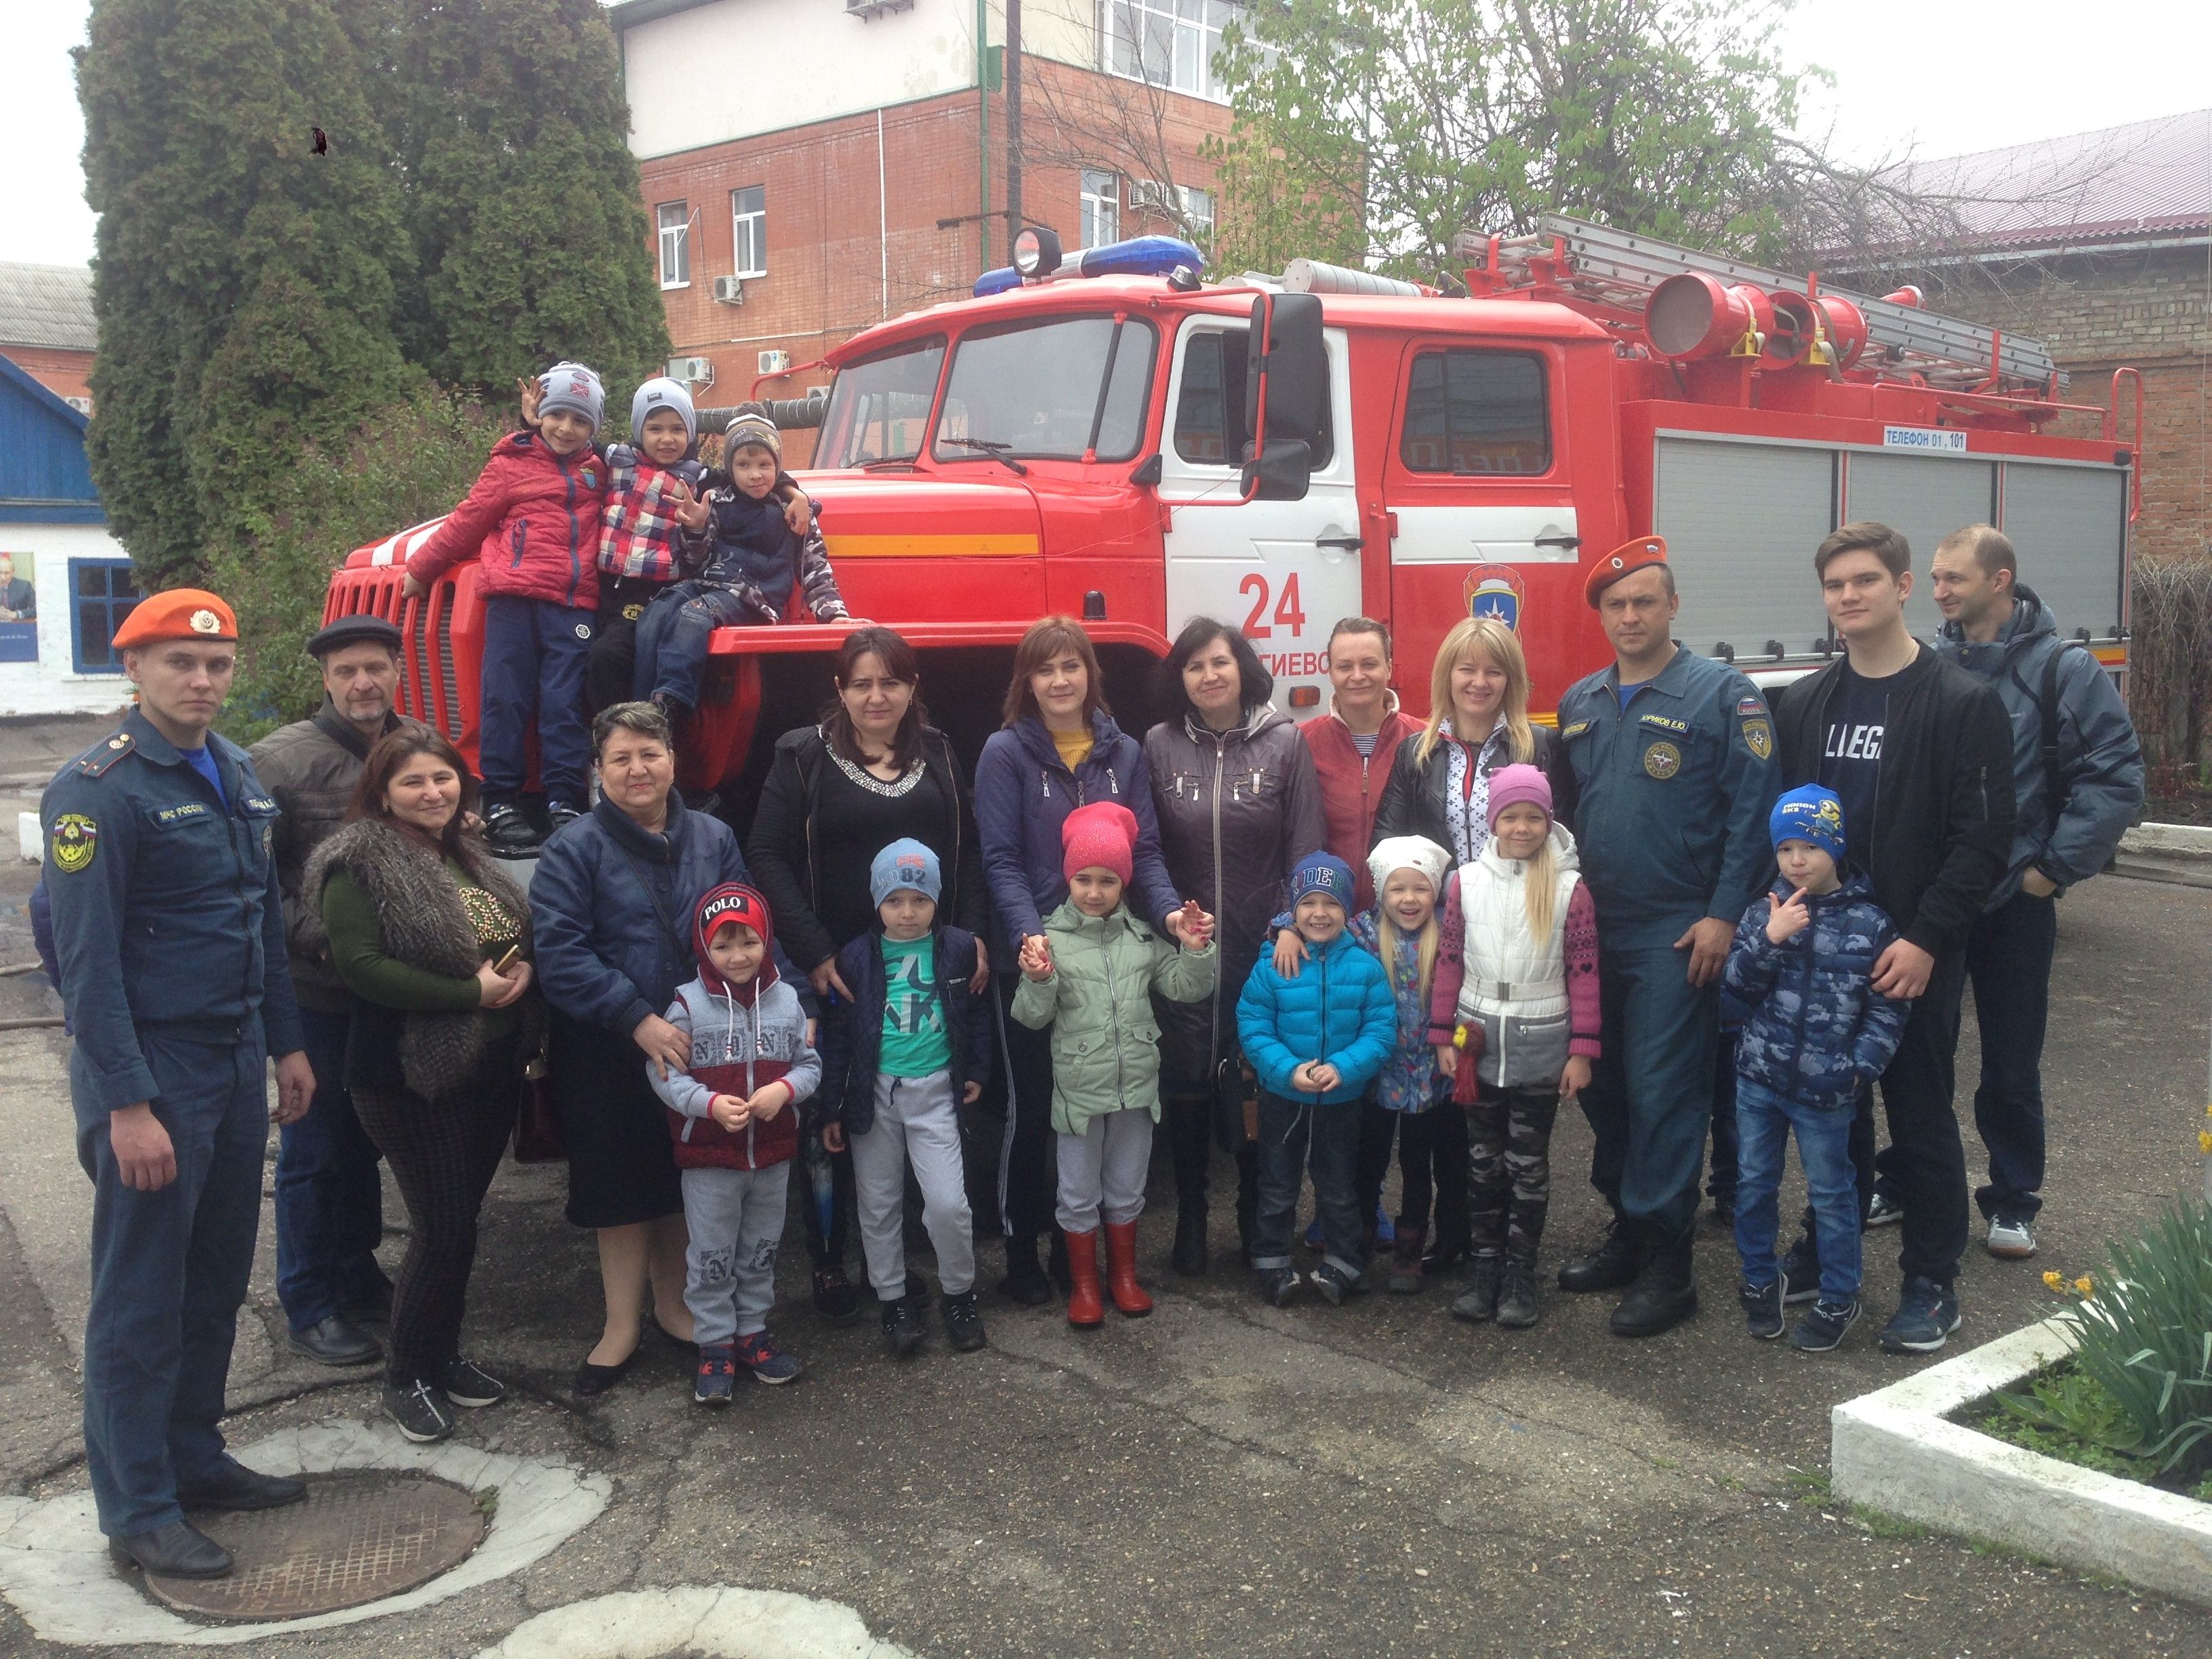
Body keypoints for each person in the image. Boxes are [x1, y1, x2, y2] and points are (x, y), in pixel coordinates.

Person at [42, 589, 314, 1580]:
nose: (202, 680)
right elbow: (87, 965)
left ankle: (193, 1455)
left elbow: (261, 927)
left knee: (211, 1281)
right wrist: (126, 1102)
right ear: (136, 670)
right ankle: (138, 1506)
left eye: (218, 664)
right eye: (180, 664)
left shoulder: (236, 770)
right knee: (140, 1297)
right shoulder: (97, 790)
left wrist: (286, 1046)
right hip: (153, 1075)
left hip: (236, 1061)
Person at [1772, 522, 2014, 1353]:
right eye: (1836, 584)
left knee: (1919, 1116)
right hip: (1821, 955)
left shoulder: (1961, 703)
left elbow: (1981, 841)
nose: (1849, 596)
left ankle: (1929, 1282)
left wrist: (1925, 941)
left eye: (1866, 581)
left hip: (1912, 953)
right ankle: (1826, 1246)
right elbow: (1788, 835)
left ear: (1905, 587)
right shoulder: (1806, 704)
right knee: (1830, 1115)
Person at [531, 701, 808, 1394]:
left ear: (673, 761)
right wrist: (636, 1019)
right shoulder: (574, 847)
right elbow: (560, 953)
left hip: (705, 1044)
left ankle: (677, 1309)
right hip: (607, 1046)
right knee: (620, 1191)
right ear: (598, 772)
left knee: (688, 1180)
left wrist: (792, 998)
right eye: (620, 758)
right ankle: (619, 1328)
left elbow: (752, 927)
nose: (637, 770)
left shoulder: (713, 836)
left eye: (649, 754)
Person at [1553, 539, 1779, 1338]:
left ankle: (1670, 1265)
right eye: (1615, 605)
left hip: (1677, 929)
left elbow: (1754, 813)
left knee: (1663, 1091)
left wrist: (1724, 913)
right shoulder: (1580, 701)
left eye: (1645, 600)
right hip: (1593, 929)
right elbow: (1565, 818)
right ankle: (1630, 1224)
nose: (1630, 616)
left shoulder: (1724, 696)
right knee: (1603, 1086)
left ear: (1673, 606)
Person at [746, 627, 991, 1323]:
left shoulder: (938, 751)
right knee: (835, 1112)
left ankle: (930, 1273)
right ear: (840, 690)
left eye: (891, 681)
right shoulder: (801, 756)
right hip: (837, 971)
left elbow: (967, 852)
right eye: (861, 682)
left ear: (913, 687)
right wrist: (816, 952)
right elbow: (765, 854)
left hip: (922, 962)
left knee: (914, 1120)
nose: (876, 696)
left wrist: (969, 934)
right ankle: (830, 1261)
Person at [304, 732, 537, 1441]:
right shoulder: (358, 863)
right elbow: (362, 967)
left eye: (444, 779)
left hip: (486, 1068)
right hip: (410, 1074)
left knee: (460, 1227)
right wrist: (470, 992)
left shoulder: (461, 854)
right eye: (413, 783)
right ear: (381, 792)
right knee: (440, 1230)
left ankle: (443, 1354)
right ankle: (407, 1375)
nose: (432, 792)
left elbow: (505, 934)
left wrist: (522, 970)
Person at [1929, 524, 2144, 1259]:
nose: (1940, 592)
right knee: (1919, 1055)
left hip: (2017, 903)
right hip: (1938, 902)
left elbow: (2116, 778)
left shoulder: (2062, 668)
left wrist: (2050, 870)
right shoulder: (1929, 662)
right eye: (1934, 578)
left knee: (2011, 1063)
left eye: (1954, 577)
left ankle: (2013, 1200)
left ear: (2001, 578)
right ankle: (1909, 1183)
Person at [976, 617, 1187, 1303]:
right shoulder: (1004, 753)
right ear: (1026, 682)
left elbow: (1145, 853)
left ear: (1092, 675)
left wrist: (1169, 915)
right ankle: (1021, 1254)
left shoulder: (1122, 753)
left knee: (1105, 1109)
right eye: (1045, 669)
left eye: (1072, 667)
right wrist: (1027, 936)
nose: (1060, 681)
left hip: (1109, 959)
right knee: (1034, 1111)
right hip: (1039, 959)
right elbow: (1001, 859)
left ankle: (1089, 1265)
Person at [249, 615, 423, 1369]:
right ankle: (308, 1300)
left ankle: (357, 1275)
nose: (362, 684)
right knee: (314, 1152)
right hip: (315, 993)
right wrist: (331, 938)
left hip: (388, 996)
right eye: (347, 671)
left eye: (375, 669)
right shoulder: (278, 763)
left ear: (396, 670)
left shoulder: (416, 747)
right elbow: (253, 888)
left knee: (366, 1145)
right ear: (325, 677)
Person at [1147, 618, 1324, 1275]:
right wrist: (1170, 917)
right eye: (1194, 667)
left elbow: (1305, 846)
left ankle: (1255, 1217)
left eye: (1219, 662)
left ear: (1242, 667)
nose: (1209, 675)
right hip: (1187, 949)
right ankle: (1191, 1219)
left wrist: (1289, 922)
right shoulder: (1158, 746)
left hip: (1263, 943)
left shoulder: (1285, 744)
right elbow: (1147, 851)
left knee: (1255, 1079)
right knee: (1188, 1082)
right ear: (1181, 679)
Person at [1012, 805, 1217, 1326]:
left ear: (1124, 883)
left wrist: (1195, 950)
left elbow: (1186, 988)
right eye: (1083, 879)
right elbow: (1031, 1019)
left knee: (1127, 1188)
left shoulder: (1142, 937)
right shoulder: (1048, 941)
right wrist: (1038, 980)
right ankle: (1084, 1284)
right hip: (1081, 1096)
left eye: (1108, 880)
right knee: (1077, 1194)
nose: (1095, 891)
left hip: (1137, 1090)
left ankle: (1123, 1277)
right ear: (1068, 879)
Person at [1724, 785, 1910, 1353]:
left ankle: (1839, 1293)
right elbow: (1735, 988)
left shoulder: (1871, 924)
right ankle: (1760, 1279)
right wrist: (1770, 942)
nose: (1796, 860)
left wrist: (1860, 1068)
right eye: (1785, 850)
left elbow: (1888, 1008)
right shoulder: (1765, 911)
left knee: (1832, 1193)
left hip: (1828, 1090)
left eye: (1809, 847)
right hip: (1760, 1079)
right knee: (1754, 1182)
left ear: (1836, 847)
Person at [403, 361, 609, 855]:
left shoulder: (599, 471)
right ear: (541, 414)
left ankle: (565, 799)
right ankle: (500, 801)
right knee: (505, 698)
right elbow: (466, 521)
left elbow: (656, 476)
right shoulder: (509, 467)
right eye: (558, 415)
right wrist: (421, 569)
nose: (567, 428)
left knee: (565, 703)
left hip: (571, 604)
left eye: (581, 421)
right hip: (514, 601)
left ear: (594, 428)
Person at [1425, 766, 1599, 1330]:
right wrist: (1441, 1035)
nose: (1521, 827)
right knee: (1482, 1161)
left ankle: (1521, 1270)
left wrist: (1582, 1049)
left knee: (1527, 1164)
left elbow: (1584, 973)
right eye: (1510, 816)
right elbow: (1449, 961)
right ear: (1491, 820)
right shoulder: (1465, 882)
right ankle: (1484, 1265)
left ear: (1548, 821)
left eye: (1533, 817)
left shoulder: (1570, 889)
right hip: (1476, 1038)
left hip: (1541, 1039)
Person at [818, 841, 996, 1355]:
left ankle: (959, 1293)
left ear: (936, 900)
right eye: (894, 900)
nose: (908, 913)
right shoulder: (855, 956)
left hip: (936, 1093)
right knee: (877, 1205)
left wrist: (978, 1069)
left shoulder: (960, 947)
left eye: (919, 899)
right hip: (874, 1098)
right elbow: (838, 1035)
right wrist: (831, 1106)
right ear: (877, 901)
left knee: (948, 1205)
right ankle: (893, 1298)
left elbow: (977, 1013)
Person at [649, 883, 819, 1404]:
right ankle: (715, 1345)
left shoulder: (788, 999)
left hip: (771, 1155)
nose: (738, 957)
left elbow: (810, 1066)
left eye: (749, 943)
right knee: (712, 1256)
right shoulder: (686, 1005)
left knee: (761, 1251)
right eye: (723, 946)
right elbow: (664, 1077)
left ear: (766, 941)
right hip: (709, 1161)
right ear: (704, 948)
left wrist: (784, 1091)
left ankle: (753, 1335)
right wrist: (707, 1104)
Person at [1237, 853, 1396, 1305]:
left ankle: (1344, 1262)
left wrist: (1344, 1067)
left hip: (1341, 1098)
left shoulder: (1365, 968)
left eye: (1332, 903)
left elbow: (1380, 1031)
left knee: (1339, 1186)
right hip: (1283, 1097)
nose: (1320, 913)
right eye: (1309, 903)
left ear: (1348, 911)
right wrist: (1289, 1070)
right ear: (1293, 911)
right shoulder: (1272, 964)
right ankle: (1270, 1262)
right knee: (1277, 1185)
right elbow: (1253, 1026)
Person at [634, 403, 850, 720]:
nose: (754, 474)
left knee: (692, 616)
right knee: (657, 610)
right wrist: (694, 527)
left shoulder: (792, 509)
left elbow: (814, 569)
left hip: (755, 599)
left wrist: (834, 616)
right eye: (744, 464)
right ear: (730, 468)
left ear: (778, 466)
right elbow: (695, 560)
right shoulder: (717, 500)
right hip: (711, 584)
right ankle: (640, 708)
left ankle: (672, 703)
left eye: (764, 464)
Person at [1370, 614, 1578, 866]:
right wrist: (1439, 884)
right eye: (1467, 669)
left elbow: (1563, 841)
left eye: (1494, 672)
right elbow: (1387, 842)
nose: (1480, 682)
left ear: (1510, 680)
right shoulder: (1415, 752)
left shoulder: (1542, 746)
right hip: (1441, 904)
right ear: (1448, 675)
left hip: (1521, 903)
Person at [1347, 836, 1457, 1294]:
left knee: (1418, 1165)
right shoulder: (1363, 933)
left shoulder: (1449, 933)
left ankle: (1411, 1248)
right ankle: (1358, 1239)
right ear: (1380, 893)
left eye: (1420, 889)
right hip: (1377, 1076)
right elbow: (1313, 918)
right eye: (1397, 890)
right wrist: (1285, 929)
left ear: (1435, 892)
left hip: (1429, 1079)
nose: (1409, 900)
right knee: (1367, 1162)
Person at [1304, 619, 1426, 912]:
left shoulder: (1424, 742)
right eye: (1345, 666)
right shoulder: (1301, 742)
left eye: (1369, 664)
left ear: (1389, 668)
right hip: (1327, 918)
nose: (1357, 676)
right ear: (1330, 671)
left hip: (1402, 918)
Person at [0, 552, 35, 620]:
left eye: (7, 573)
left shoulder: (24, 586)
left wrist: (16, 614)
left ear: (13, 572)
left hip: (16, 627)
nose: (3, 577)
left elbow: (38, 609)